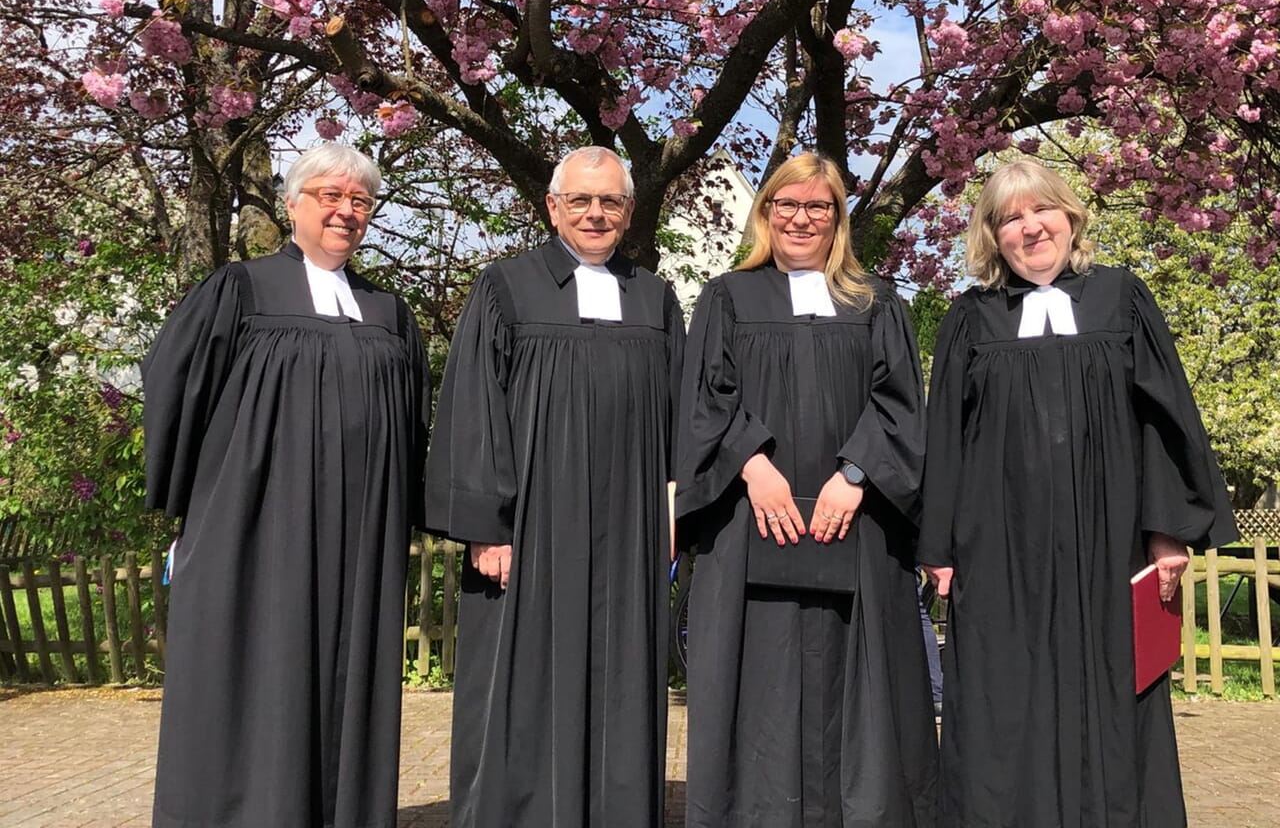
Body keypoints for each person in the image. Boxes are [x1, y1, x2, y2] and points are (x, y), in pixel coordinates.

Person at [918, 159, 1238, 827]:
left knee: (1115, 691)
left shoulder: (1122, 298)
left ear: (1071, 217)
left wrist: (1166, 531)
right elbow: (944, 434)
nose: (1030, 227)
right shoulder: (971, 319)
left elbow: (1164, 417)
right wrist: (938, 545)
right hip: (999, 545)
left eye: (1042, 211)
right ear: (993, 235)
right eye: (1011, 217)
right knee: (1002, 697)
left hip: (1110, 538)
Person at [144, 144, 431, 828]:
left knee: (345, 680)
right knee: (256, 672)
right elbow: (176, 387)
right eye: (330, 195)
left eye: (360, 201)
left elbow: (414, 418)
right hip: (256, 525)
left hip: (362, 537)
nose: (346, 211)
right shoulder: (240, 290)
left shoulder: (389, 313)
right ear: (293, 204)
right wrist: (201, 508)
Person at [424, 146, 685, 828]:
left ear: (628, 213)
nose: (595, 213)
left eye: (610, 202)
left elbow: (682, 419)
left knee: (622, 679)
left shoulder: (655, 297)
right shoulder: (506, 287)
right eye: (581, 200)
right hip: (529, 530)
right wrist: (487, 525)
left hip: (630, 533)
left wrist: (672, 514)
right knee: (520, 683)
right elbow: (474, 407)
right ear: (552, 207)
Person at [677, 153, 938, 828]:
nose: (801, 218)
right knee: (757, 681)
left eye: (817, 206)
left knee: (865, 696)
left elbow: (901, 406)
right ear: (767, 212)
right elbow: (705, 399)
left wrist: (855, 475)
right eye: (786, 204)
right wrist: (753, 466)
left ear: (837, 218)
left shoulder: (875, 302)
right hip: (749, 525)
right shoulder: (728, 298)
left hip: (858, 526)